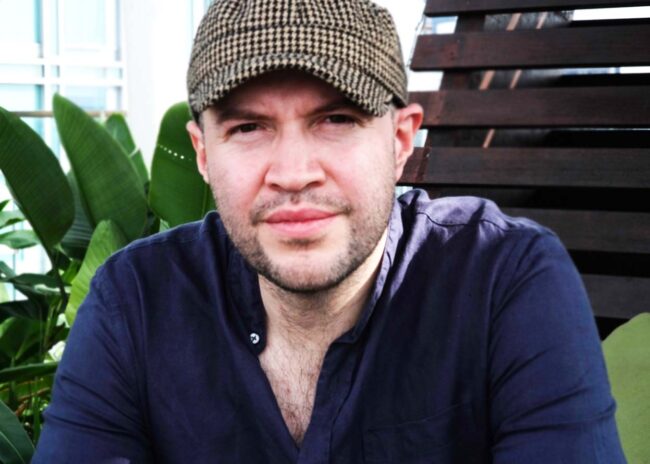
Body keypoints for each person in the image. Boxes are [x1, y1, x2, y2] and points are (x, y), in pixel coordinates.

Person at [34, 0, 626, 462]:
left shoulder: (504, 282)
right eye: (248, 128)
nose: (293, 174)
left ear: (400, 140)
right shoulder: (136, 303)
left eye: (336, 119)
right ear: (204, 153)